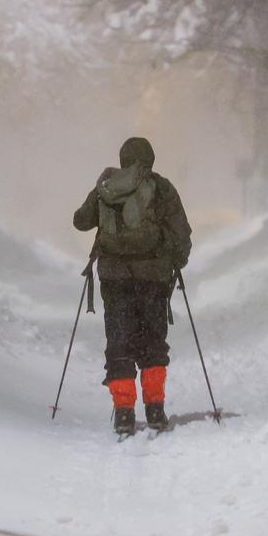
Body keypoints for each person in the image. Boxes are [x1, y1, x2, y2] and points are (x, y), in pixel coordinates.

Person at [73, 137, 192, 436]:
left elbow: (81, 221)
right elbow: (181, 232)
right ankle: (155, 409)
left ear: (123, 158)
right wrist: (177, 262)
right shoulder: (161, 187)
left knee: (119, 341)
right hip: (154, 276)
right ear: (151, 158)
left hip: (114, 278)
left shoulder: (107, 184)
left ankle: (124, 413)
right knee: (153, 340)